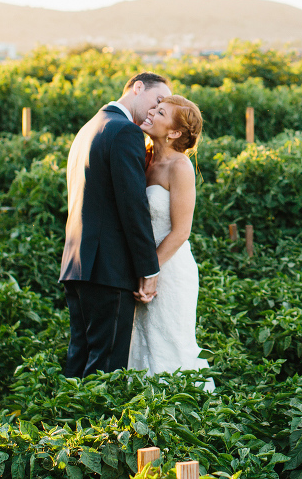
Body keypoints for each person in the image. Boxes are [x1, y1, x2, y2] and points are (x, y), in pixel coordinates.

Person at [60, 72, 171, 378]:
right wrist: (149, 269)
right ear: (137, 88)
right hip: (108, 269)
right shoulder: (124, 131)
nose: (156, 110)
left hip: (78, 265)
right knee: (105, 371)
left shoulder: (90, 127)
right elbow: (132, 206)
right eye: (158, 100)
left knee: (79, 361)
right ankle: (94, 426)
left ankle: (67, 424)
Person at [127, 95, 214, 391]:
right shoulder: (147, 156)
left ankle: (185, 418)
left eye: (160, 112)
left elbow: (180, 232)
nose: (151, 112)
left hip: (170, 270)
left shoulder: (180, 167)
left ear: (174, 132)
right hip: (144, 266)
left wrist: (150, 272)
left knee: (171, 344)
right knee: (141, 342)